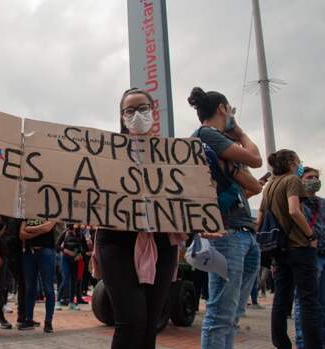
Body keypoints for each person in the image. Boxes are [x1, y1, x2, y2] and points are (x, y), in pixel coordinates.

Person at [96, 87, 186, 349]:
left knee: (150, 322)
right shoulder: (108, 152)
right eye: (130, 110)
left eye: (143, 108)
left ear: (153, 112)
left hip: (161, 242)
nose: (137, 115)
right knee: (130, 319)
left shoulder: (174, 154)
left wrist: (203, 222)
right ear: (122, 117)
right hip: (116, 240)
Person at [188, 87, 262, 349]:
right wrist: (240, 132)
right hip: (227, 235)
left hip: (241, 232)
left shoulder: (215, 142)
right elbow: (255, 159)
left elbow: (254, 185)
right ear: (222, 108)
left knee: (230, 315)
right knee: (221, 315)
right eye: (230, 109)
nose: (231, 114)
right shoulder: (207, 135)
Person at [257, 151, 321, 348]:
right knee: (308, 300)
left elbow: (260, 218)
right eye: (298, 161)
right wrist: (310, 235)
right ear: (291, 163)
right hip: (299, 247)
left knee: (281, 300)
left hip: (279, 248)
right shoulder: (292, 181)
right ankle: (313, 344)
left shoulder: (269, 186)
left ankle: (281, 342)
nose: (300, 164)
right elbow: (294, 210)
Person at [293, 166, 325, 349]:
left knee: (322, 303)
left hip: (323, 254)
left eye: (316, 177)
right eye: (309, 176)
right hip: (308, 256)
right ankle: (303, 341)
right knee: (305, 302)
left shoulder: (323, 203)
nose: (313, 179)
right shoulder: (296, 203)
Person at [20, 218, 57, 333]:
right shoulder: (28, 213)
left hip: (46, 252)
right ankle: (29, 319)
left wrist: (29, 230)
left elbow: (48, 228)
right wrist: (40, 230)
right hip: (30, 253)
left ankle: (48, 321)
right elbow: (21, 235)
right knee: (30, 288)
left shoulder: (52, 212)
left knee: (48, 288)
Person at [56, 224, 88, 311]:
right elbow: (57, 246)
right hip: (65, 258)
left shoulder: (81, 234)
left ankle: (71, 302)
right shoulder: (65, 232)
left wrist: (80, 254)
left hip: (75, 259)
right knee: (65, 279)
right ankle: (58, 301)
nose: (79, 224)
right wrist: (65, 250)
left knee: (74, 281)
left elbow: (85, 248)